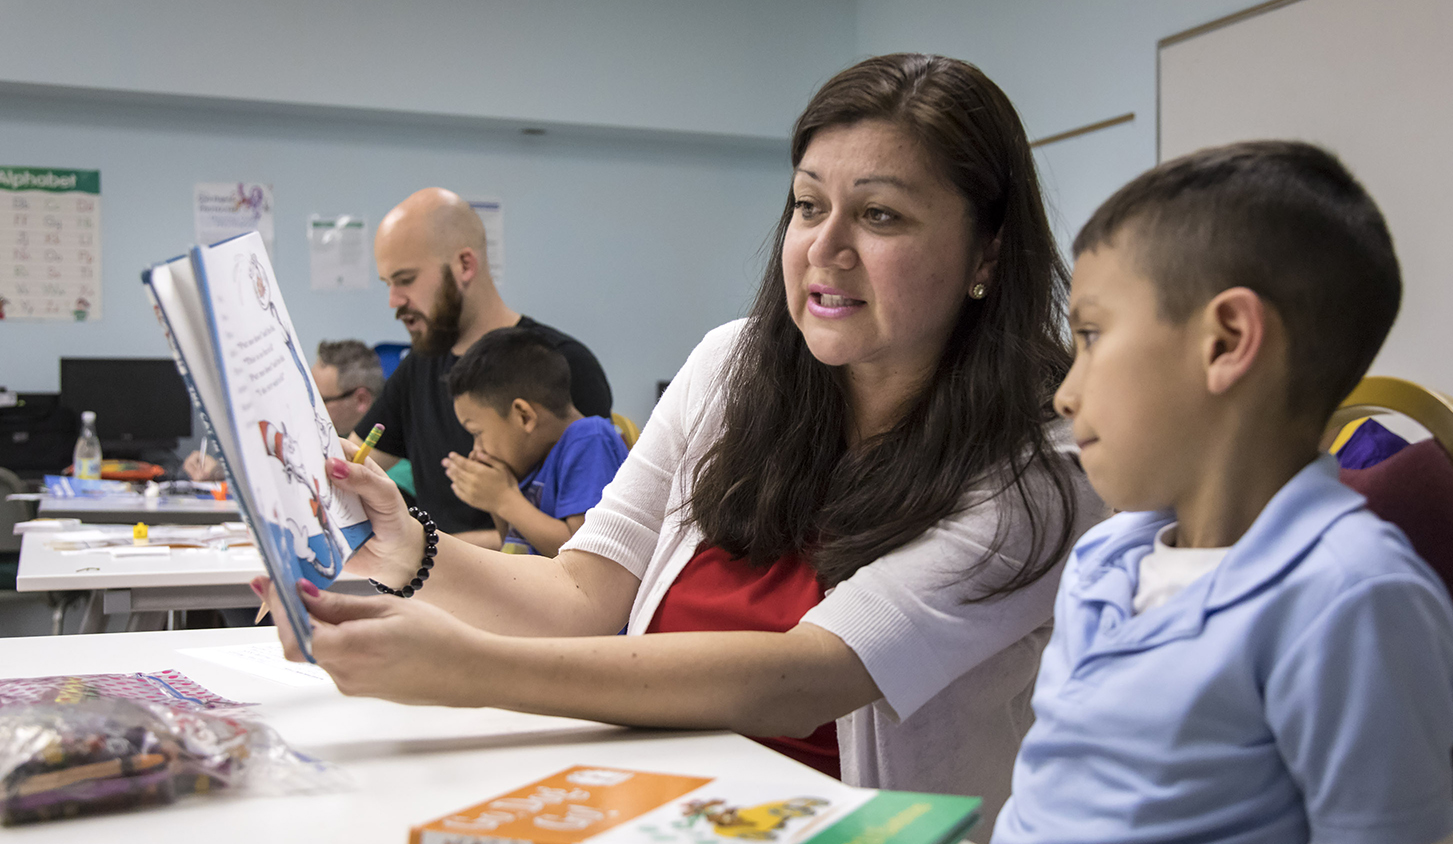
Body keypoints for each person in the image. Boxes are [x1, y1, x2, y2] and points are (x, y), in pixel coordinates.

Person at [258, 54, 1104, 839]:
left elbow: (812, 672)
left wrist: (466, 670)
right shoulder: (732, 366)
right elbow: (586, 591)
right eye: (809, 206)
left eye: (880, 215)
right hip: (656, 794)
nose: (825, 247)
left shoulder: (1047, 460)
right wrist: (407, 546)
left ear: (986, 252)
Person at [992, 142, 1453, 844]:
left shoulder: (1349, 596)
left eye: (1091, 335)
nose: (1065, 393)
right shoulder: (1103, 560)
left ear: (1226, 341)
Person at [351, 188, 613, 550]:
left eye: (406, 279)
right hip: (437, 573)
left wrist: (436, 548)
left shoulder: (558, 365)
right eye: (388, 284)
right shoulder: (419, 366)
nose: (394, 301)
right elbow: (356, 459)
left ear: (465, 265)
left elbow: (589, 538)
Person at [442, 327, 628, 557]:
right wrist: (496, 503)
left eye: (477, 433)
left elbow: (584, 554)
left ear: (524, 416)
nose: (476, 449)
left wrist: (504, 500)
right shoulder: (534, 464)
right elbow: (515, 549)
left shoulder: (590, 439)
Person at [183, 339, 387, 481]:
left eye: (320, 400)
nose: (310, 410)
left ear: (361, 400)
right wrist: (218, 471)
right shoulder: (322, 438)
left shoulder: (393, 457)